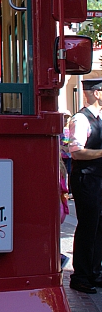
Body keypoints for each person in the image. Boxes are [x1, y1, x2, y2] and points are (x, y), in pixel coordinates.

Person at [67, 79, 102, 294]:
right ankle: (80, 276)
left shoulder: (99, 118)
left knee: (99, 226)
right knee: (88, 227)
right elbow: (76, 152)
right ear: (97, 93)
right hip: (86, 178)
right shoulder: (81, 119)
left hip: (98, 178)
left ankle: (94, 272)